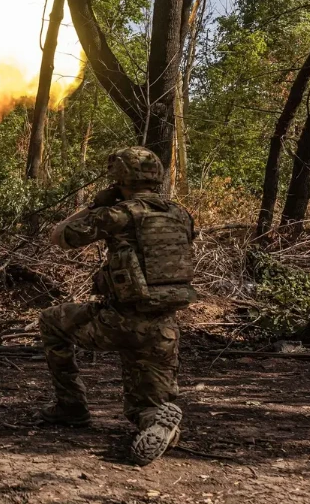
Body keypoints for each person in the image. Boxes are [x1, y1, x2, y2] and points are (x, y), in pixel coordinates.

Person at [39, 146, 197, 466]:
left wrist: (93, 204)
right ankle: (159, 427)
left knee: (52, 321)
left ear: (119, 177)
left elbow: (60, 236)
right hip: (164, 328)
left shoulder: (119, 213)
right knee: (146, 408)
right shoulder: (181, 214)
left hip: (118, 322)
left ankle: (71, 408)